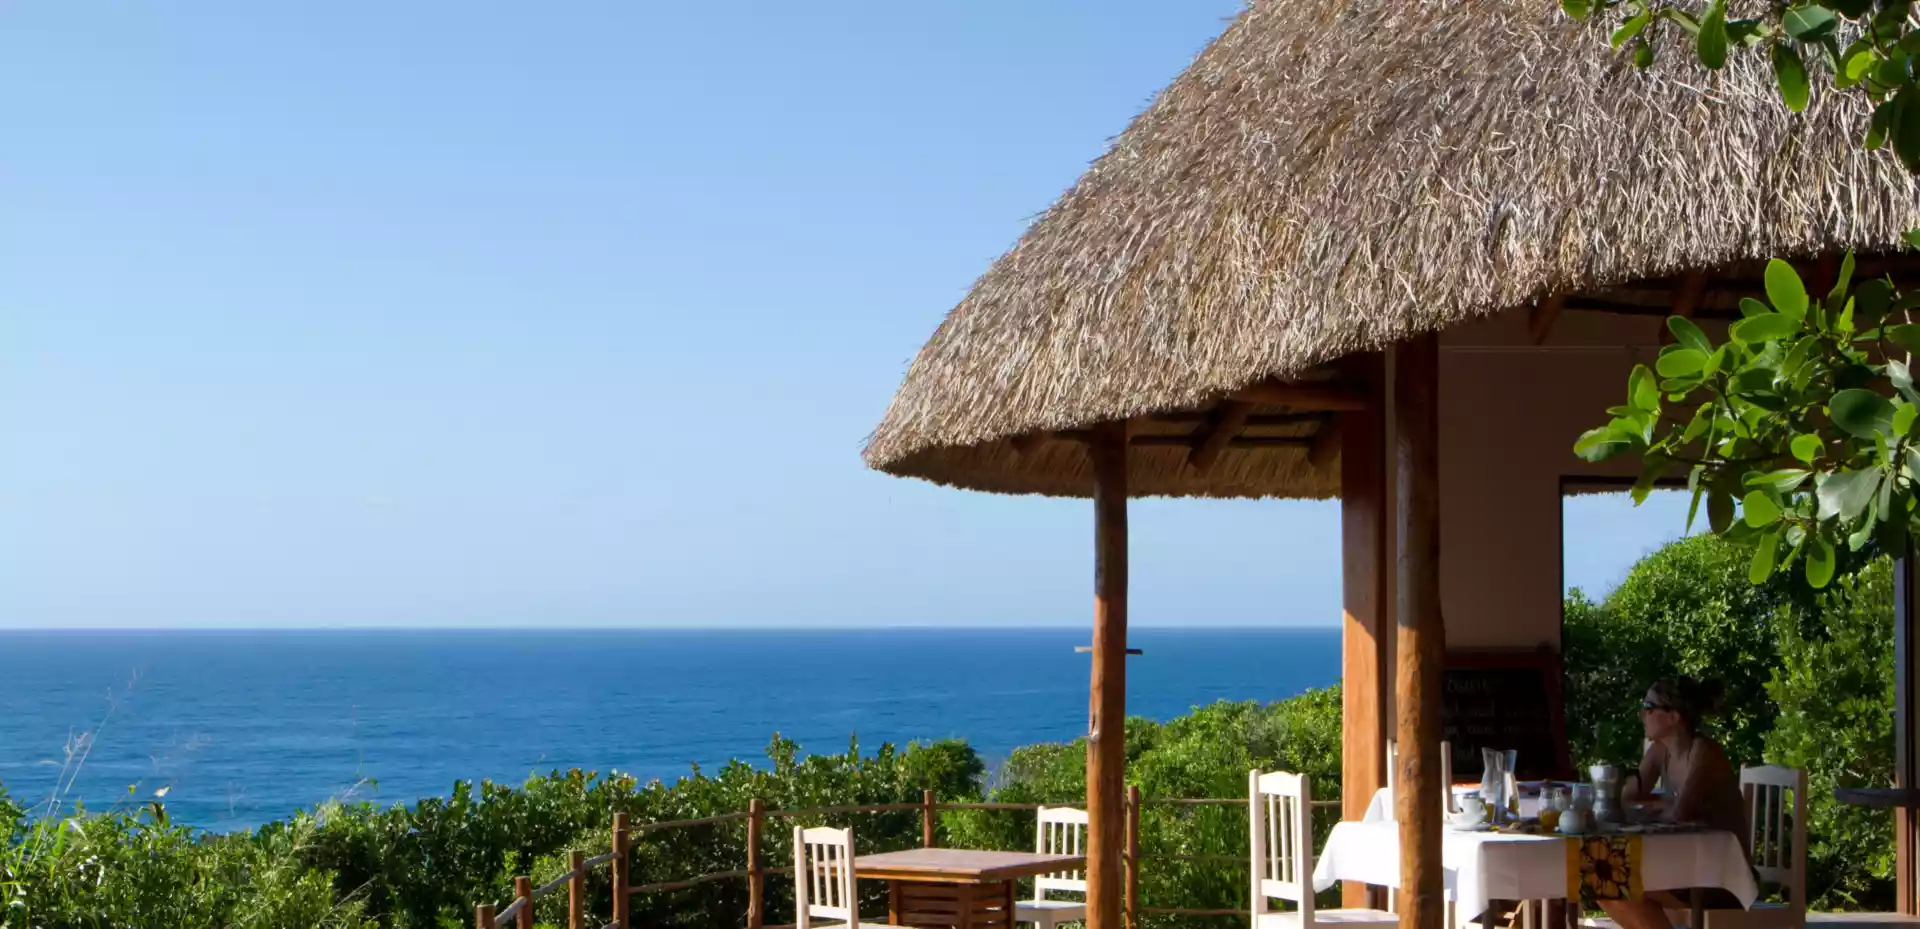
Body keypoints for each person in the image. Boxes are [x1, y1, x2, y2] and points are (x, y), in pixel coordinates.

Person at [1598, 677, 1748, 929]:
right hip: (1685, 869)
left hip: (1720, 876)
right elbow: (1625, 798)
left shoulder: (1704, 752)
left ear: (1673, 716)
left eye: (1649, 706)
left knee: (1615, 884)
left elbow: (1681, 812)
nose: (1642, 713)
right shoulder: (1660, 750)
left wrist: (1652, 807)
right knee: (1601, 881)